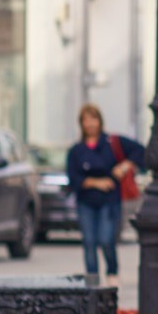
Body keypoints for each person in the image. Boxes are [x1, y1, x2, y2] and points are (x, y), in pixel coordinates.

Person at [65, 104, 136, 278]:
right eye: (86, 120)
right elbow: (73, 178)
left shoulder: (112, 143)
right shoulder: (76, 150)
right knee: (89, 242)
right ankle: (92, 280)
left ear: (100, 121)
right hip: (86, 202)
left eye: (93, 119)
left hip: (109, 201)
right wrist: (95, 182)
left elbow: (140, 151)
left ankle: (112, 273)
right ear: (81, 123)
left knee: (106, 239)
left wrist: (125, 166)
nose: (90, 123)